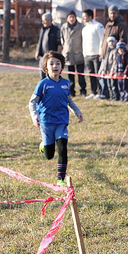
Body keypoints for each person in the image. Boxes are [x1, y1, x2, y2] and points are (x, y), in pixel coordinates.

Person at [29, 51, 83, 187]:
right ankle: (44, 145)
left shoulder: (65, 83)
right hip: (46, 122)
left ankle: (61, 179)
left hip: (61, 121)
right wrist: (35, 117)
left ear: (62, 67)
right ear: (46, 68)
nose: (55, 66)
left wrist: (77, 112)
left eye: (58, 63)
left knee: (63, 147)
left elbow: (69, 100)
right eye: (51, 63)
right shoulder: (43, 84)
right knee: (49, 155)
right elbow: (32, 102)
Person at [99, 5, 128, 99]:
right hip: (105, 54)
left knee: (112, 77)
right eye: (111, 13)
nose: (112, 15)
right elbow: (104, 40)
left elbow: (123, 39)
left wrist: (118, 52)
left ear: (117, 13)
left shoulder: (121, 25)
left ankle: (114, 95)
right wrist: (102, 52)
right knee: (101, 74)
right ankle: (105, 93)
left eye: (114, 13)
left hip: (115, 56)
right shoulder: (107, 25)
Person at [60, 10, 86, 97]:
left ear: (75, 18)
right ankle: (72, 91)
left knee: (80, 74)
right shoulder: (64, 27)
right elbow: (62, 39)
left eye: (73, 17)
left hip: (79, 53)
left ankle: (83, 90)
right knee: (70, 75)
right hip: (68, 55)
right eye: (70, 17)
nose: (71, 19)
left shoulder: (81, 26)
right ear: (67, 18)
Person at [82, 9, 105, 100]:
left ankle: (100, 92)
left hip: (97, 54)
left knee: (97, 74)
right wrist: (84, 53)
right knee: (91, 73)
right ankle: (93, 91)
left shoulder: (98, 26)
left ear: (90, 17)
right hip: (87, 55)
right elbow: (84, 42)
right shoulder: (84, 29)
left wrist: (100, 53)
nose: (83, 18)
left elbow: (102, 40)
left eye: (85, 16)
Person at [35, 13, 62, 79]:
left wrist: (57, 55)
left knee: (50, 75)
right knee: (42, 74)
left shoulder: (56, 30)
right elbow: (40, 41)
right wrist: (37, 52)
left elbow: (59, 43)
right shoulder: (42, 29)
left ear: (49, 20)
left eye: (44, 20)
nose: (42, 22)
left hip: (51, 56)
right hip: (42, 56)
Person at [99, 36, 118, 100]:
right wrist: (103, 70)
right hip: (107, 71)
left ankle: (115, 97)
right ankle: (110, 96)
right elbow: (105, 62)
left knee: (113, 85)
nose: (111, 43)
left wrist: (112, 71)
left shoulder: (115, 51)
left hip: (112, 71)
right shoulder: (106, 51)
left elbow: (115, 62)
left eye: (112, 41)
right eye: (110, 41)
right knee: (109, 85)